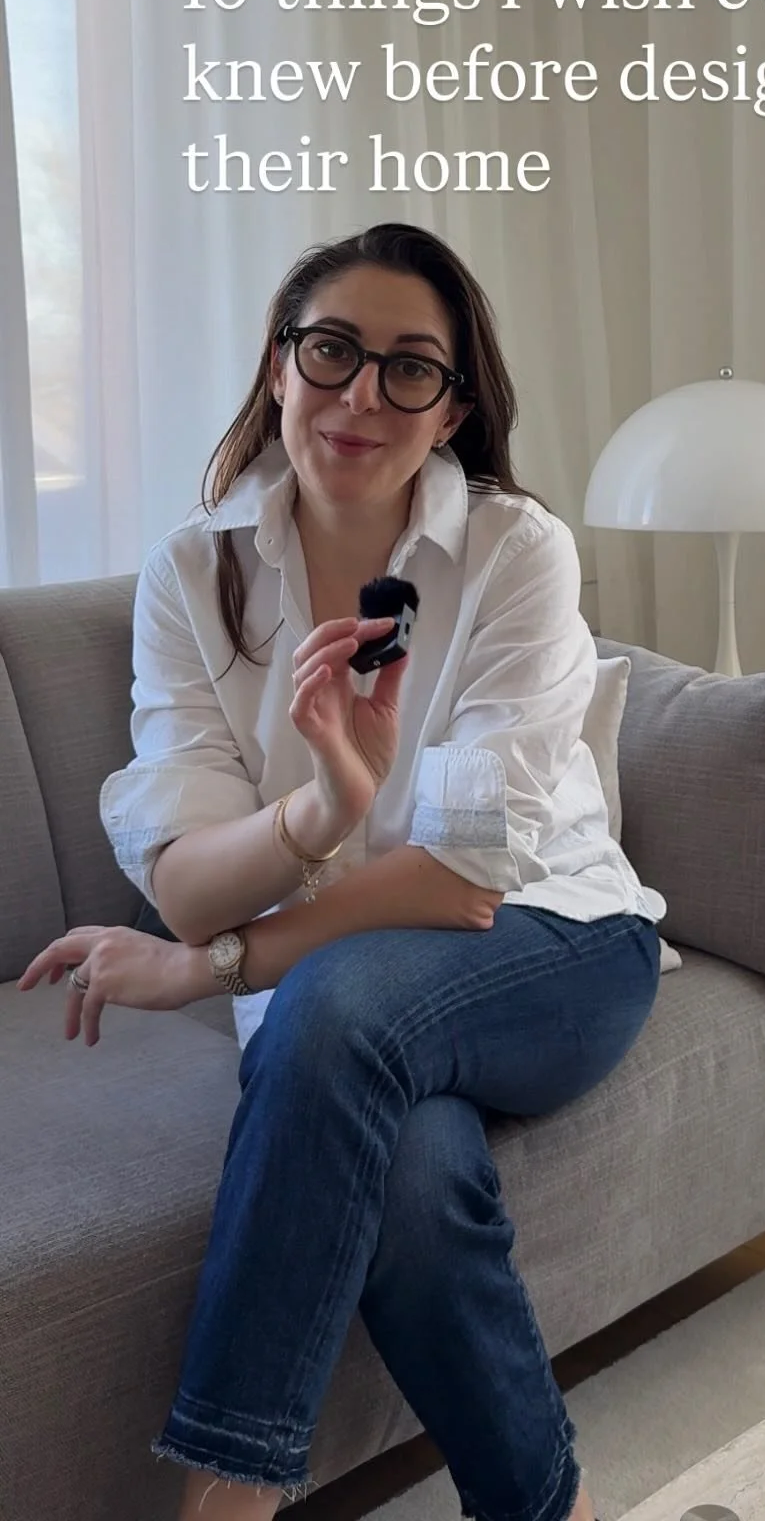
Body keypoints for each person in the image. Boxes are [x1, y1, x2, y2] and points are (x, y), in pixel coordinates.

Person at [18, 222, 667, 1521]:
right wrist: (324, 806)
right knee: (412, 1177)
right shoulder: (192, 574)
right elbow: (189, 882)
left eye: (409, 367)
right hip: (342, 996)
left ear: (452, 409)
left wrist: (211, 967)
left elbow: (463, 879)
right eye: (331, 351)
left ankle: (225, 1504)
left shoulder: (514, 551)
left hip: (554, 944)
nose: (361, 394)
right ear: (278, 367)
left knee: (328, 1006)